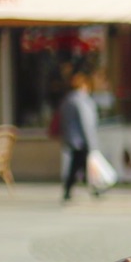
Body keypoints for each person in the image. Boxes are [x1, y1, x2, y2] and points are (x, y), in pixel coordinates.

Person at [59, 74, 100, 203]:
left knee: (78, 165)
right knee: (80, 165)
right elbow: (86, 123)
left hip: (72, 139)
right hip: (81, 140)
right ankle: (92, 188)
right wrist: (91, 141)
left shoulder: (67, 100)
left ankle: (91, 188)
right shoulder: (80, 101)